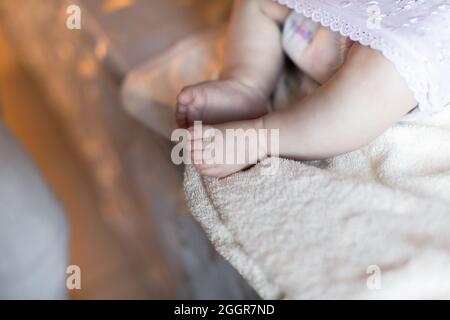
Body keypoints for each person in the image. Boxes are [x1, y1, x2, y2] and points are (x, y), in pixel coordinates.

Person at [176, 0, 450, 178]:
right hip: (325, 20)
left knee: (388, 75)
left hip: (408, 37)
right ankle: (245, 82)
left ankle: (259, 137)